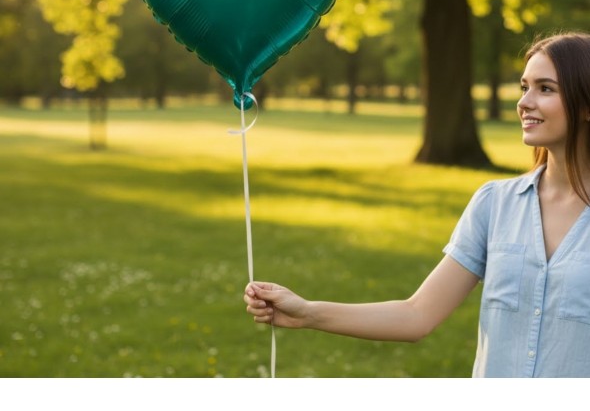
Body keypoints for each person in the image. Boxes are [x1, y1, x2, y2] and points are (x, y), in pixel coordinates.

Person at [244, 31, 590, 377]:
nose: (525, 102)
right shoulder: (494, 204)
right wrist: (306, 311)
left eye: (545, 89)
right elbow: (417, 315)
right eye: (524, 87)